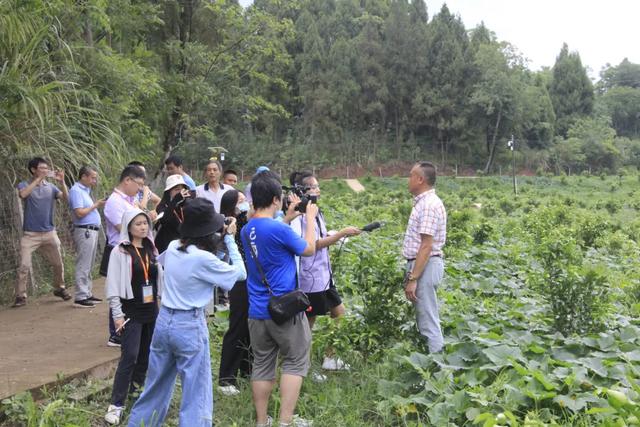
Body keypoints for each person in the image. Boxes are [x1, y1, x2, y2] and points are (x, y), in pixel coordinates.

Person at [127, 198, 246, 427]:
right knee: (196, 393)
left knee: (155, 387)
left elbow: (200, 264)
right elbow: (239, 274)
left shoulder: (172, 247)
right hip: (189, 326)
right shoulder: (203, 258)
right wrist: (229, 238)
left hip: (164, 322)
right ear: (208, 230)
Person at [241, 171, 318, 427]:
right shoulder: (276, 228)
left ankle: (262, 422)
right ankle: (285, 421)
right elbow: (308, 249)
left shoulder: (247, 228)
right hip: (284, 309)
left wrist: (286, 218)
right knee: (295, 360)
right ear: (276, 199)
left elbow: (269, 240)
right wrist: (308, 219)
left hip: (257, 310)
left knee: (263, 363)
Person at [289, 171, 361, 373]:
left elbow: (320, 237)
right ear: (303, 191)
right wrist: (339, 235)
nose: (318, 190)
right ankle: (303, 367)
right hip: (310, 279)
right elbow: (311, 244)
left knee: (339, 313)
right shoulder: (301, 216)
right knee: (307, 325)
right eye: (313, 186)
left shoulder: (315, 211)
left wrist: (335, 235)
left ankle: (330, 357)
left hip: (323, 277)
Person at [104, 209, 163, 425]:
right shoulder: (120, 252)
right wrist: (117, 314)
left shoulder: (151, 248)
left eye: (145, 223)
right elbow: (112, 285)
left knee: (146, 355)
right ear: (128, 227)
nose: (142, 227)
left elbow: (158, 280)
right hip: (131, 311)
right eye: (137, 223)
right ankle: (116, 404)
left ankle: (136, 395)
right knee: (130, 355)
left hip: (151, 310)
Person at [402, 161, 447, 354]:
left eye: (411, 175)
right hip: (423, 266)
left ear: (420, 179)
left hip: (425, 266)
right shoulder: (424, 203)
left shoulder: (428, 205)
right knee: (424, 316)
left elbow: (426, 245)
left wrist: (413, 278)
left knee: (428, 319)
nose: (408, 179)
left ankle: (438, 372)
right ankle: (429, 363)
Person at [12, 157, 70, 307]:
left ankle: (59, 288)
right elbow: (23, 194)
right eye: (42, 168)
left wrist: (62, 181)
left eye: (46, 168)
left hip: (49, 233)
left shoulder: (51, 187)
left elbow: (66, 198)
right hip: (30, 235)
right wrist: (38, 180)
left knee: (58, 263)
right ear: (33, 170)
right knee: (24, 265)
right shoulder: (24, 184)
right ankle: (21, 296)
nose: (45, 170)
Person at [103, 165, 147, 347]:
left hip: (132, 251)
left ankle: (127, 329)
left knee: (130, 292)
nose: (139, 189)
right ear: (127, 180)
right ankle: (116, 333)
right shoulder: (114, 202)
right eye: (138, 184)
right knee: (118, 292)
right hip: (119, 251)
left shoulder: (129, 200)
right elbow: (123, 229)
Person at [218, 189, 252, 395]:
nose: (245, 203)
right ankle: (226, 378)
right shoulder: (231, 224)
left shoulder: (247, 221)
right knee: (237, 327)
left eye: (245, 199)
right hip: (240, 280)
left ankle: (247, 371)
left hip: (252, 279)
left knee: (250, 327)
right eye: (240, 201)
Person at [69, 166, 106, 308]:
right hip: (84, 230)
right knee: (83, 263)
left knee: (89, 263)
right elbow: (79, 213)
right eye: (92, 177)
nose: (94, 181)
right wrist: (96, 205)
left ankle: (87, 293)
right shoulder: (76, 191)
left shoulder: (85, 191)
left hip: (91, 230)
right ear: (83, 176)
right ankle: (80, 296)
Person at [154, 174, 191, 253]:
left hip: (184, 246)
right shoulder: (162, 206)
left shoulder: (187, 204)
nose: (180, 192)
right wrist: (175, 201)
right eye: (177, 189)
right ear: (168, 192)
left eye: (182, 189)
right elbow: (164, 220)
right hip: (167, 247)